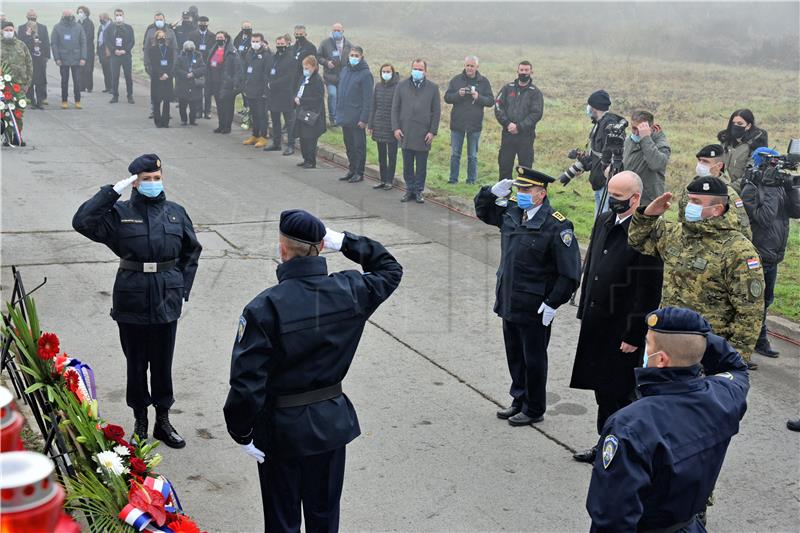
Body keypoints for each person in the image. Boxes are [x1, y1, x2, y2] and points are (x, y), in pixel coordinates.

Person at [223, 209, 402, 532]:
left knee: (282, 520)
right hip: (331, 423)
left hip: (281, 430)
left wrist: (242, 431)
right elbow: (390, 269)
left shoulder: (266, 306)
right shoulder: (351, 290)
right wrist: (346, 242)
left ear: (282, 249)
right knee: (324, 516)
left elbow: (247, 382)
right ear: (321, 247)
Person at [72, 154, 202, 449]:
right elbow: (82, 222)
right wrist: (111, 192)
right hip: (131, 297)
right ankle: (140, 421)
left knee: (162, 362)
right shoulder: (118, 213)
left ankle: (163, 421)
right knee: (136, 363)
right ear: (134, 183)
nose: (153, 184)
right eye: (146, 179)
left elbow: (191, 251)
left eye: (157, 178)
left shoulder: (175, 212)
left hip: (166, 297)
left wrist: (181, 287)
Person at [586, 307, 749, 532]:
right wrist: (695, 337)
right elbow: (736, 366)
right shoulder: (724, 396)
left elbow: (612, 520)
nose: (644, 350)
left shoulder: (630, 426)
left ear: (661, 359)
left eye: (648, 344)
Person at [475, 167, 581, 425]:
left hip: (535, 305)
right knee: (514, 354)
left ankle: (534, 408)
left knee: (533, 359)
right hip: (510, 298)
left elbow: (570, 273)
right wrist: (490, 192)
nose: (520, 193)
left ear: (541, 194)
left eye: (526, 190)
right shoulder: (513, 212)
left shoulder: (556, 225)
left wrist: (553, 303)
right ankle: (518, 399)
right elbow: (484, 211)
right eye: (519, 189)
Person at [569, 171, 663, 463]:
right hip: (598, 321)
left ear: (636, 198)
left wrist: (634, 334)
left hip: (621, 329)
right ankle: (604, 445)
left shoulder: (645, 233)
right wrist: (584, 308)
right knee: (602, 391)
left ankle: (620, 452)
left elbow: (648, 290)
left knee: (620, 395)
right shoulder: (605, 221)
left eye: (619, 198)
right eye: (610, 195)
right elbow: (593, 267)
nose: (612, 202)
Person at [628, 176, 765, 370]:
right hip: (664, 342)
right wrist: (648, 214)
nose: (689, 206)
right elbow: (637, 240)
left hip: (704, 353)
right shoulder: (677, 233)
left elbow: (750, 313)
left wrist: (733, 363)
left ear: (717, 209)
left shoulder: (738, 250)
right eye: (690, 200)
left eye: (696, 202)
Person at [740, 147, 800, 359]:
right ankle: (744, 346)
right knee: (751, 301)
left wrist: (789, 186)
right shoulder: (750, 187)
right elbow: (764, 219)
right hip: (756, 254)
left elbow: (797, 210)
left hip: (773, 254)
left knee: (766, 301)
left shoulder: (778, 186)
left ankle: (758, 340)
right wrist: (771, 187)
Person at [557, 90, 625, 215]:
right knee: (598, 220)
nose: (588, 109)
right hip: (598, 181)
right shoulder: (599, 124)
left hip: (606, 184)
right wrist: (581, 165)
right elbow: (596, 154)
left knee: (604, 221)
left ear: (594, 108)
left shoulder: (610, 127)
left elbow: (608, 157)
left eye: (590, 106)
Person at [391, 59, 441, 203]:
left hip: (423, 133)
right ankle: (409, 190)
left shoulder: (432, 88)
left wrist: (432, 131)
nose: (417, 71)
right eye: (415, 68)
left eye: (420, 69)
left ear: (425, 71)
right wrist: (396, 128)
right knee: (407, 164)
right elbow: (395, 108)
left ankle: (419, 191)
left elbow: (436, 112)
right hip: (405, 132)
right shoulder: (401, 86)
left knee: (421, 165)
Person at [680, 144, 752, 240]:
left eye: (705, 162)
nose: (700, 165)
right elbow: (682, 219)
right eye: (699, 160)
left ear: (719, 166)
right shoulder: (690, 189)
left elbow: (744, 228)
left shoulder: (728, 194)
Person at [443, 55, 494, 184]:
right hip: (457, 123)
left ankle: (471, 181)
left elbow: (491, 101)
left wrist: (478, 97)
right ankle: (453, 180)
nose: (469, 68)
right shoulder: (456, 80)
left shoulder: (484, 82)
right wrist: (457, 95)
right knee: (455, 154)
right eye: (468, 66)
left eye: (472, 66)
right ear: (464, 66)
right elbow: (447, 97)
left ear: (477, 67)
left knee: (472, 155)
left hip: (475, 124)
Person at [494, 60, 544, 180]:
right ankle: (503, 196)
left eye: (526, 70)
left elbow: (536, 113)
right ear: (517, 71)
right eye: (521, 70)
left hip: (526, 136)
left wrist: (519, 127)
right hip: (508, 134)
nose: (524, 72)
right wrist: (507, 124)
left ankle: (523, 197)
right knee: (504, 166)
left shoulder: (535, 92)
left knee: (525, 170)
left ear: (531, 72)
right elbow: (498, 106)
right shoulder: (507, 88)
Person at [335, 45, 373, 183]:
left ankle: (359, 172)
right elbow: (341, 92)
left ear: (361, 57)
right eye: (352, 55)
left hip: (357, 117)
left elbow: (368, 99)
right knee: (349, 145)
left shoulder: (366, 74)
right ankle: (351, 169)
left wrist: (364, 118)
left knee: (359, 146)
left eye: (356, 56)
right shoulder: (345, 70)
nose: (354, 58)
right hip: (345, 115)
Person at [622, 110, 671, 204]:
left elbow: (656, 164)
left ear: (651, 128)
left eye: (639, 130)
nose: (636, 133)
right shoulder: (629, 141)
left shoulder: (660, 143)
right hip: (628, 196)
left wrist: (645, 138)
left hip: (648, 200)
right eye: (633, 128)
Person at [263, 35, 298, 155]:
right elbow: (267, 71)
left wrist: (273, 84)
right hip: (273, 95)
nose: (280, 46)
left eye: (282, 44)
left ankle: (291, 145)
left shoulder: (291, 59)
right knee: (275, 120)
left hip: (285, 94)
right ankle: (276, 143)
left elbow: (289, 77)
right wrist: (268, 82)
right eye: (278, 44)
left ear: (287, 44)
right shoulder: (273, 57)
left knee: (289, 122)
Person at [367, 63, 399, 190]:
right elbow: (373, 106)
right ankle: (383, 179)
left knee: (392, 155)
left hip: (391, 126)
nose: (386, 74)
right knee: (381, 155)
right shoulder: (378, 86)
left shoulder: (398, 87)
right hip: (379, 124)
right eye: (383, 71)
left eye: (388, 71)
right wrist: (371, 124)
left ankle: (390, 180)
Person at [718, 109, 768, 183]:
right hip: (720, 186)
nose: (735, 126)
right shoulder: (725, 142)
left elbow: (749, 176)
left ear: (748, 126)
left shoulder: (754, 147)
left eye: (739, 123)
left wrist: (729, 189)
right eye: (733, 123)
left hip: (741, 190)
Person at [294, 56, 326, 168]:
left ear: (314, 67)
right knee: (303, 137)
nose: (305, 70)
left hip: (312, 113)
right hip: (302, 112)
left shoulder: (317, 80)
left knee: (310, 139)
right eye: (304, 67)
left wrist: (301, 100)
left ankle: (311, 161)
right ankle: (305, 158)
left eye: (307, 68)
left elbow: (317, 98)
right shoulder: (303, 78)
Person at [50, 9, 86, 109]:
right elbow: (54, 44)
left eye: (69, 15)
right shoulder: (57, 27)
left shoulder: (79, 27)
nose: (68, 16)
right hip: (63, 59)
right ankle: (64, 101)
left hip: (76, 58)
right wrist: (57, 58)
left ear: (72, 15)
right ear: (62, 16)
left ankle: (78, 100)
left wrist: (83, 57)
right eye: (66, 15)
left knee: (77, 81)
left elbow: (83, 43)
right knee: (64, 81)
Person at [317, 23, 351, 126]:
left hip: (343, 77)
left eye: (338, 30)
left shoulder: (348, 45)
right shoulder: (325, 43)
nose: (336, 32)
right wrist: (326, 63)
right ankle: (333, 118)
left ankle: (339, 118)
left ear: (342, 31)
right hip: (330, 76)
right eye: (334, 30)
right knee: (332, 95)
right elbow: (318, 56)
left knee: (341, 98)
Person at [207, 31, 241, 134]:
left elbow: (237, 68)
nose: (219, 39)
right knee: (219, 105)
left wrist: (234, 82)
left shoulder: (232, 52)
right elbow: (211, 64)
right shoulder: (214, 50)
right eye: (217, 37)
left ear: (226, 38)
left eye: (221, 37)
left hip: (227, 83)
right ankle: (221, 125)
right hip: (216, 82)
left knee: (228, 106)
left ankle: (227, 127)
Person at [241, 33, 271, 148]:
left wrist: (265, 91)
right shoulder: (249, 53)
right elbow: (245, 70)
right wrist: (244, 86)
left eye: (257, 41)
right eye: (253, 41)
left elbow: (267, 74)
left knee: (262, 114)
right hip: (250, 89)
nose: (254, 43)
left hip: (261, 90)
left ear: (262, 42)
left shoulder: (267, 55)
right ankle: (255, 134)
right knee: (254, 114)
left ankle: (263, 137)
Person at [18, 10, 49, 109]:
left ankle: (40, 101)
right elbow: (20, 43)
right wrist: (27, 34)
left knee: (40, 80)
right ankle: (31, 100)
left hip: (40, 58)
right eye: (30, 16)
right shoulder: (22, 28)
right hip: (28, 58)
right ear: (26, 17)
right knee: (30, 80)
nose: (32, 17)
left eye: (34, 15)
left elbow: (46, 42)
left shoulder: (43, 28)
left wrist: (46, 56)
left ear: (37, 16)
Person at [103, 8, 135, 104]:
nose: (119, 17)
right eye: (117, 15)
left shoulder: (128, 28)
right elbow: (107, 40)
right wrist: (114, 50)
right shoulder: (110, 28)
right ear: (114, 16)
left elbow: (132, 41)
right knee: (115, 76)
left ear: (123, 16)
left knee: (128, 76)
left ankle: (130, 95)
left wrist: (125, 50)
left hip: (126, 55)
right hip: (115, 56)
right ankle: (115, 96)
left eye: (120, 15)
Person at [174, 40, 205, 126]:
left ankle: (192, 120)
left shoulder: (198, 56)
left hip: (194, 83)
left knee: (193, 104)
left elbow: (203, 68)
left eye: (191, 49)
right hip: (183, 84)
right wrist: (185, 74)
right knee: (182, 104)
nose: (189, 51)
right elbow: (176, 69)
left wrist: (193, 73)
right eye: (187, 49)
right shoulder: (180, 57)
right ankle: (184, 120)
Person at [147, 30, 175, 128]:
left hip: (168, 77)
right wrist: (161, 74)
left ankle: (165, 121)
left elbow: (171, 62)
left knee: (166, 100)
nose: (161, 38)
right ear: (156, 38)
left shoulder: (169, 49)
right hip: (157, 77)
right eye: (159, 36)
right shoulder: (152, 49)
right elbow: (154, 64)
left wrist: (167, 73)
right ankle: (158, 121)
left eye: (163, 36)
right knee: (157, 100)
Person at [143, 13, 178, 79]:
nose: (159, 21)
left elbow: (175, 49)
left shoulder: (170, 32)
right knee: (155, 88)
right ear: (154, 21)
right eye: (157, 20)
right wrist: (147, 65)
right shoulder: (150, 32)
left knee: (167, 88)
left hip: (168, 68)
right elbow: (146, 49)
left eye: (161, 19)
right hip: (154, 67)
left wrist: (174, 67)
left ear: (164, 20)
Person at [194, 16, 213, 119]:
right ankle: (198, 110)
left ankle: (208, 111)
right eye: (201, 22)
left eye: (205, 23)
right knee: (198, 88)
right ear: (198, 23)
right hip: (197, 66)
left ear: (208, 23)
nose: (203, 24)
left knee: (208, 91)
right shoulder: (193, 35)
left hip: (209, 66)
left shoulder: (212, 36)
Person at [75, 6, 94, 93]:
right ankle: (81, 86)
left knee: (88, 68)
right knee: (80, 68)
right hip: (79, 49)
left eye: (81, 12)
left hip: (88, 49)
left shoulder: (89, 23)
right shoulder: (78, 23)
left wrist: (80, 41)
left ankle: (89, 86)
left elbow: (89, 37)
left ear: (86, 13)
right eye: (79, 12)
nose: (80, 14)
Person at [96, 13, 112, 93]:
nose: (100, 20)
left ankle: (112, 88)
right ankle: (107, 87)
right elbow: (98, 39)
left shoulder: (112, 26)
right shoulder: (101, 27)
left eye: (101, 18)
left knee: (110, 70)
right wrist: (97, 51)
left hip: (109, 51)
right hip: (102, 50)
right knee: (105, 70)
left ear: (106, 18)